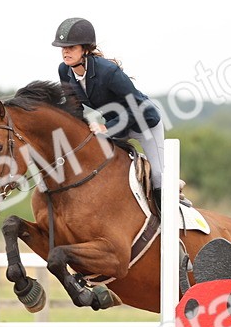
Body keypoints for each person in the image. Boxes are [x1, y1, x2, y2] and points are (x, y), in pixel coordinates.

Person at [52, 17, 167, 209]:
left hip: (144, 123)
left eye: (71, 47)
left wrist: (106, 127)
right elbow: (74, 107)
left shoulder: (108, 71)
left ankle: (169, 215)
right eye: (63, 48)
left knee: (157, 175)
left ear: (85, 49)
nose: (65, 51)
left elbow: (137, 106)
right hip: (115, 127)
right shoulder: (65, 71)